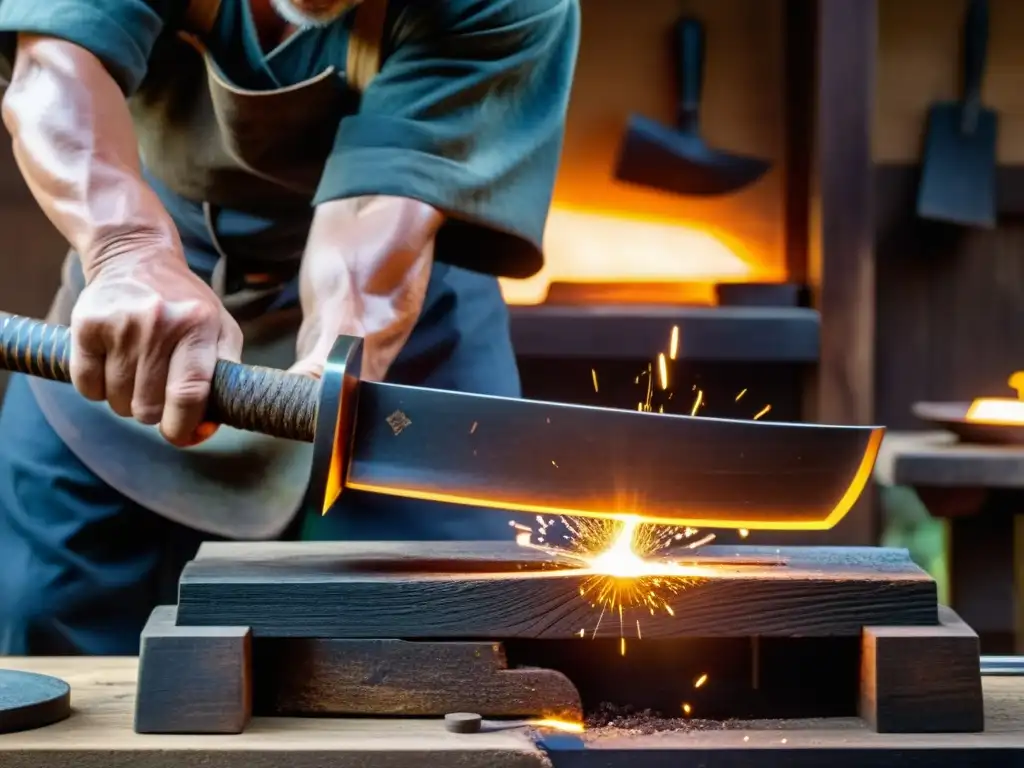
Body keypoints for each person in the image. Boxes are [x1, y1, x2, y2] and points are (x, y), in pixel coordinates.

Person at [0, 0, 580, 655]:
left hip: (401, 320)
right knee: (42, 622)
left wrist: (327, 375)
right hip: (132, 307)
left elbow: (372, 236)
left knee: (450, 643)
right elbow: (53, 71)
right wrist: (127, 251)